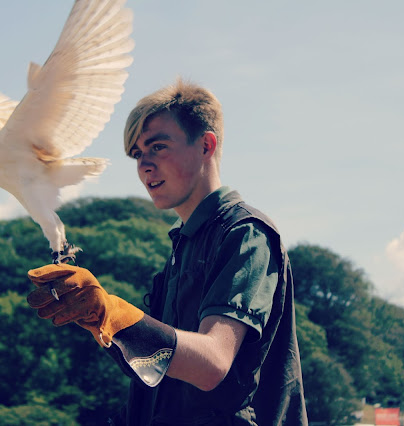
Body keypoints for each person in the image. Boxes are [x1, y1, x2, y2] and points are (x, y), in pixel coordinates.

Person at [26, 79, 308, 425]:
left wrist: (114, 313)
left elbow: (212, 364)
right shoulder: (182, 248)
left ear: (206, 145)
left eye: (157, 147)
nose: (144, 165)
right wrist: (100, 319)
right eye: (137, 154)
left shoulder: (246, 234)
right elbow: (158, 371)